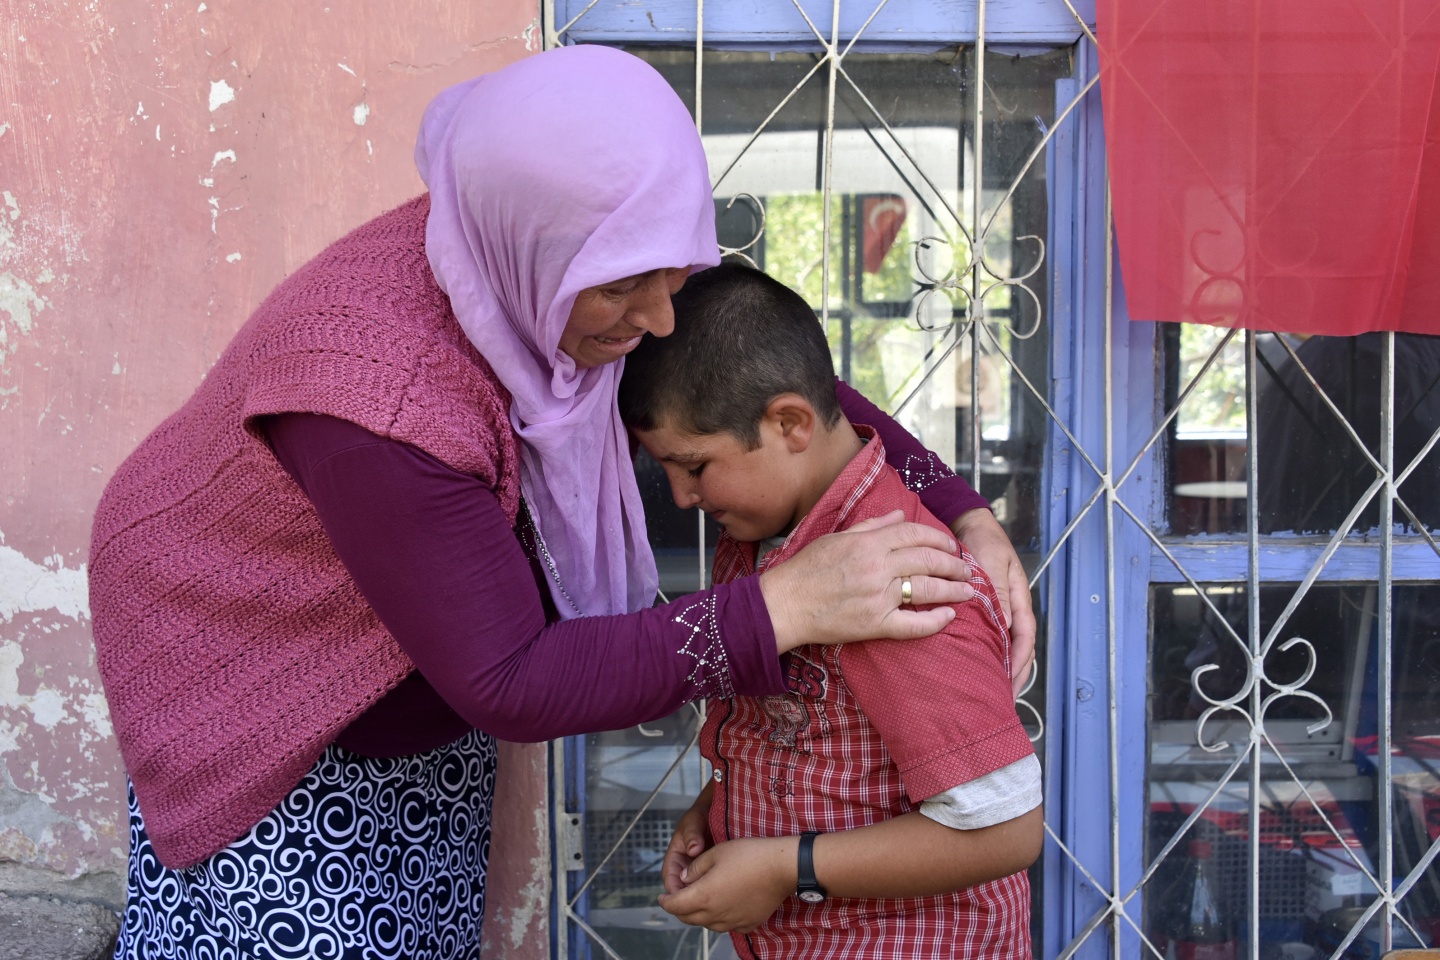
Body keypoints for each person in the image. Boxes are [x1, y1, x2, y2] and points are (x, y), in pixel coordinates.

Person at [89, 46, 1033, 958]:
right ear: (539, 253)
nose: (663, 315)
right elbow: (507, 678)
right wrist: (777, 609)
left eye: (672, 273)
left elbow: (763, 383)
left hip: (416, 682)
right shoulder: (385, 401)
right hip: (260, 674)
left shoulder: (578, 251)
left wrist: (958, 509)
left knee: (416, 917)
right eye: (631, 288)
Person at [618, 263, 1043, 959]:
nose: (683, 496)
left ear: (790, 422)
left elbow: (1004, 829)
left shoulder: (899, 580)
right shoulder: (762, 534)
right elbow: (804, 734)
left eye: (694, 466)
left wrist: (790, 865)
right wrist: (719, 813)